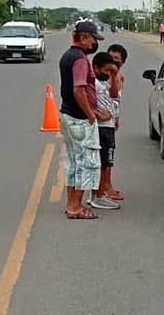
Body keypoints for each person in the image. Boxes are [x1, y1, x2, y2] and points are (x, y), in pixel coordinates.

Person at [58, 20, 109, 219]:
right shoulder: (79, 59)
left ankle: (71, 202)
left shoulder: (67, 56)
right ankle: (75, 207)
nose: (94, 43)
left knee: (73, 161)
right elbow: (79, 89)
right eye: (93, 39)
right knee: (86, 163)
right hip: (79, 119)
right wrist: (91, 115)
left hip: (68, 115)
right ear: (84, 37)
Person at [88, 52, 121, 210]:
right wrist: (98, 114)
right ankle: (98, 196)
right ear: (96, 68)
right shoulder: (93, 82)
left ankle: (97, 194)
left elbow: (114, 94)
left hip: (109, 126)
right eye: (106, 70)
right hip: (101, 128)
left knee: (106, 162)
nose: (108, 74)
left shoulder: (104, 83)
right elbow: (85, 101)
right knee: (103, 162)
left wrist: (114, 75)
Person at [105, 44, 128, 201]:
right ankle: (105, 187)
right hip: (103, 121)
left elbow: (117, 100)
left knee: (109, 154)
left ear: (123, 62)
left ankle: (106, 185)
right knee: (106, 156)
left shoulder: (120, 77)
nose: (113, 61)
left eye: (116, 58)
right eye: (110, 57)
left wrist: (117, 118)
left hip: (112, 120)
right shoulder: (103, 76)